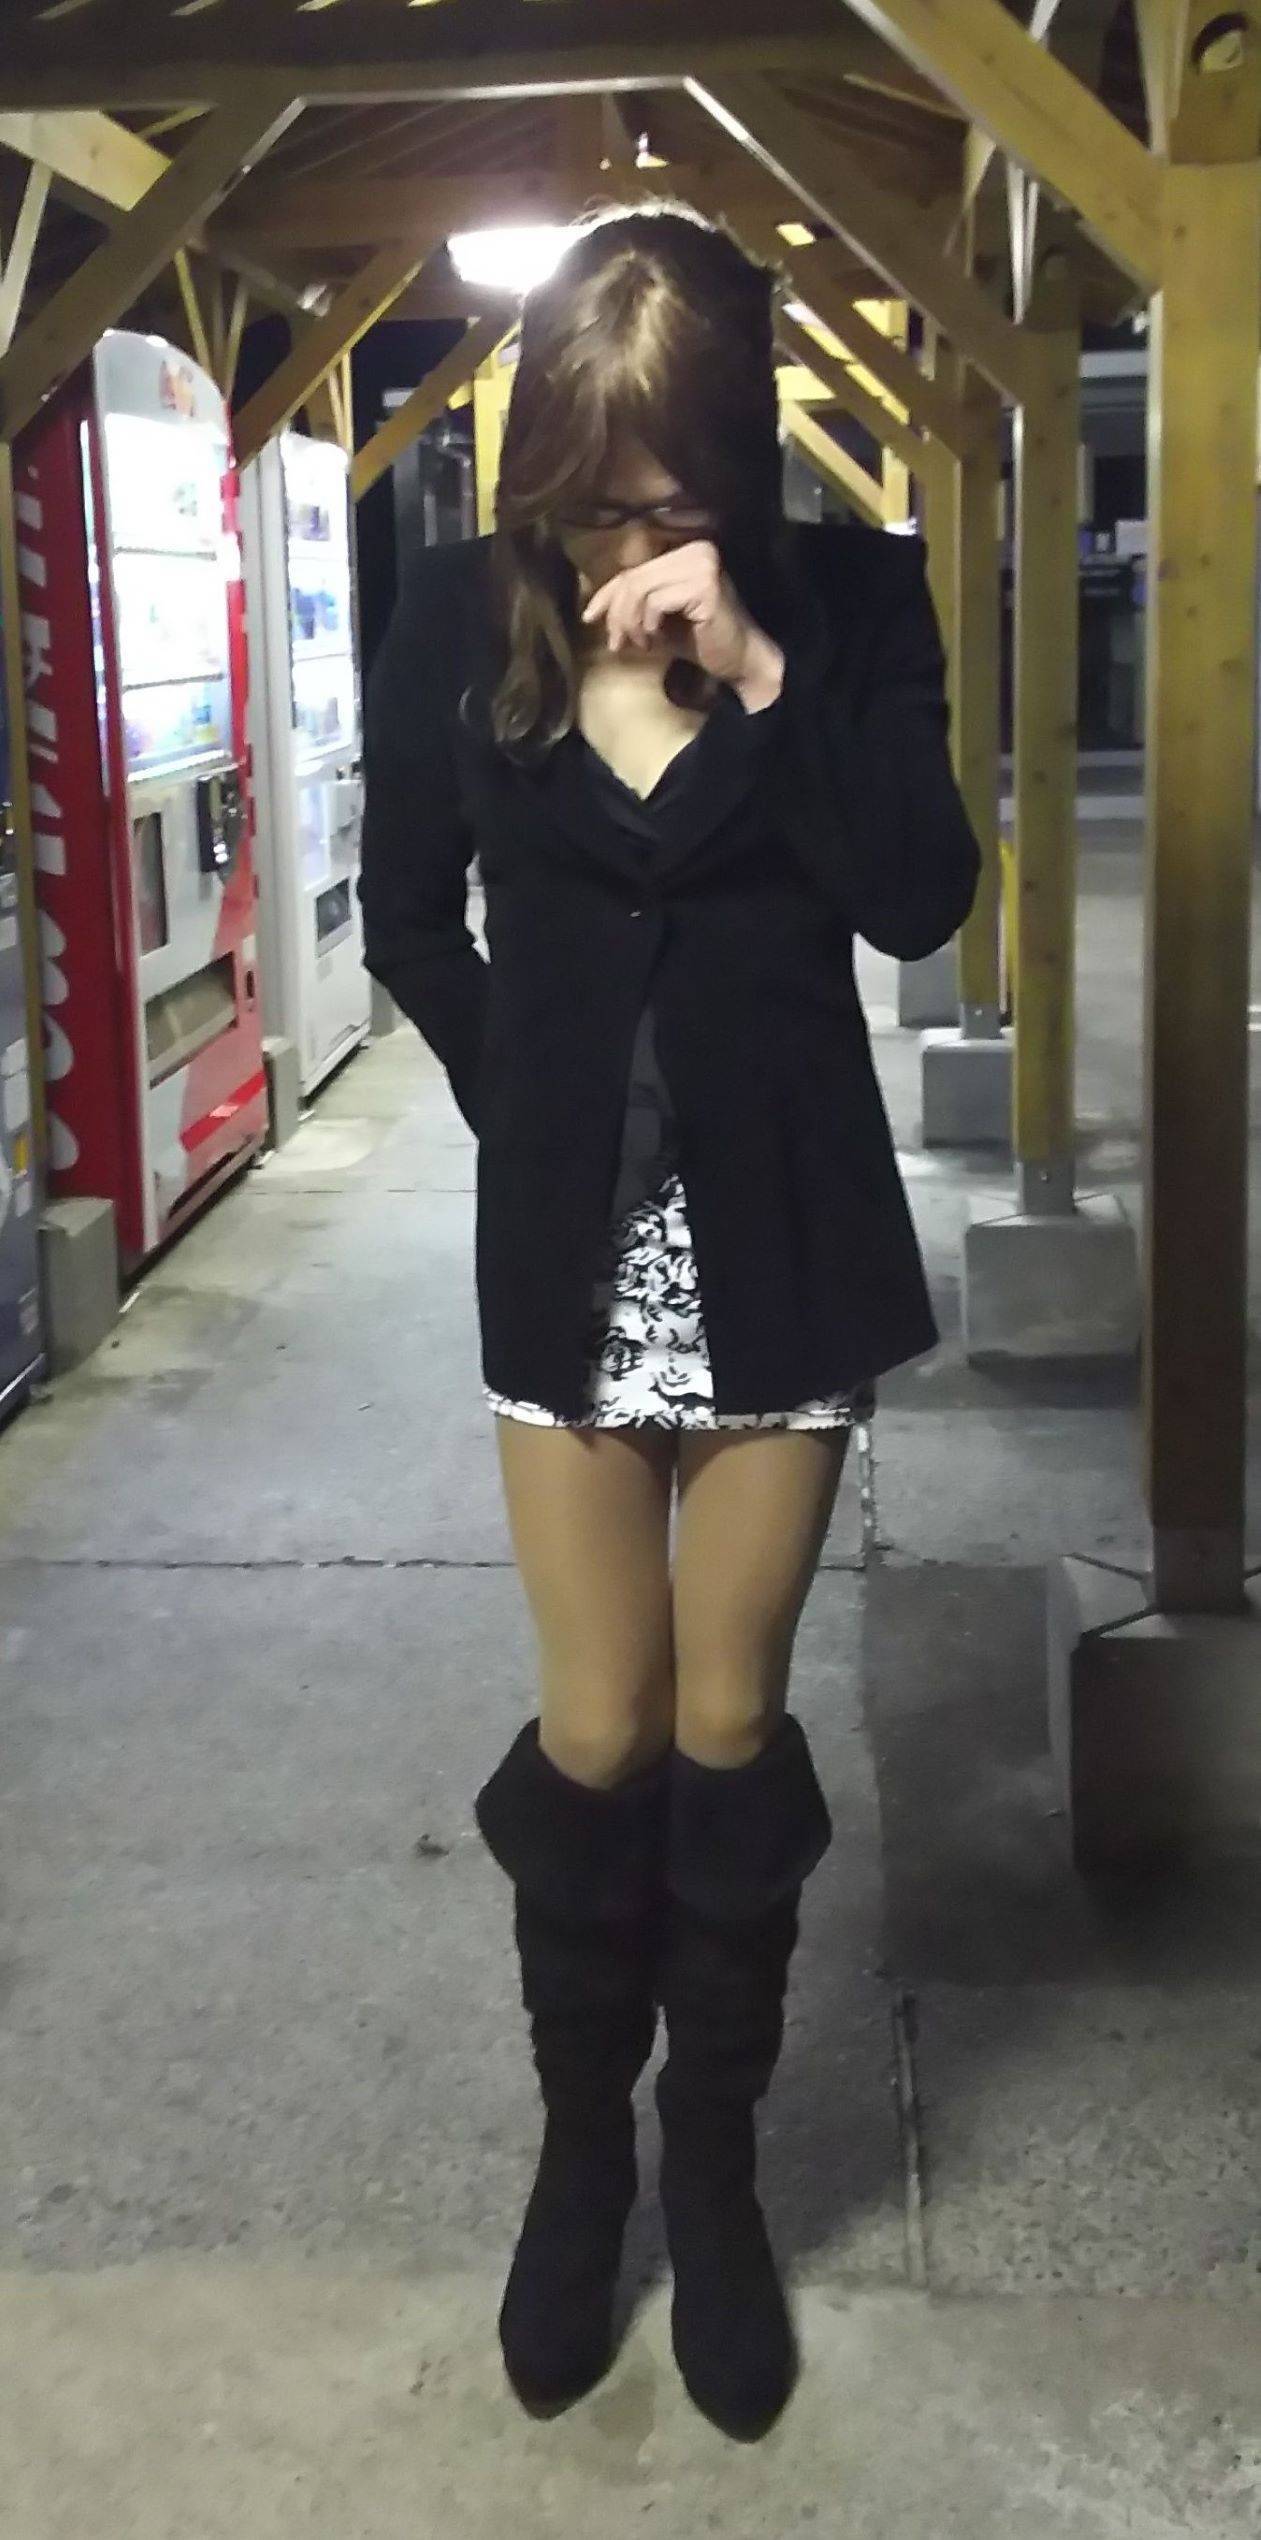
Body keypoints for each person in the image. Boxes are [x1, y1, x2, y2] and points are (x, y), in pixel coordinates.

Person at [358, 201, 981, 2442]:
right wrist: (524, 1102)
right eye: (590, 499)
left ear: (733, 460)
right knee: (599, 1721)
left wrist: (767, 673)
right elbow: (408, 920)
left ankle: (706, 2170)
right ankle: (579, 2154)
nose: (622, 542)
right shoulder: (460, 609)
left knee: (725, 1724)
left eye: (665, 498)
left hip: (778, 1243)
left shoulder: (853, 602)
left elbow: (917, 892)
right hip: (571, 1261)